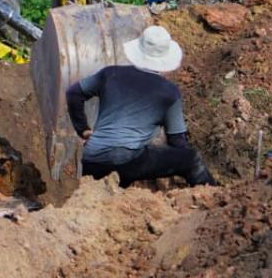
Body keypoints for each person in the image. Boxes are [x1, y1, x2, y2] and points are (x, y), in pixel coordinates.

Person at [66, 25, 217, 188]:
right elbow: (177, 141)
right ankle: (215, 200)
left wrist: (83, 129)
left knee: (130, 162)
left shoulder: (110, 74)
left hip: (90, 160)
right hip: (128, 160)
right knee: (190, 158)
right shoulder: (169, 92)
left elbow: (73, 93)